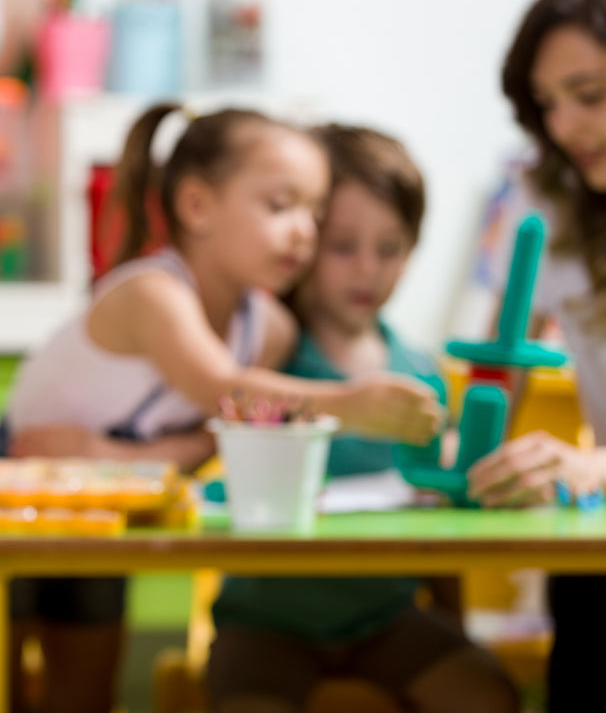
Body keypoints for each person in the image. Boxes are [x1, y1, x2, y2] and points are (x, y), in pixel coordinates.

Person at [0, 104, 443, 713]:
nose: (303, 232)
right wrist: (348, 404)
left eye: (314, 213)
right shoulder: (153, 293)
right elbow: (224, 394)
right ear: (198, 206)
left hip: (107, 501)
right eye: (281, 206)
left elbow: (221, 433)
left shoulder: (270, 329)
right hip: (7, 487)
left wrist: (113, 458)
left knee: (82, 696)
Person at [207, 124, 519, 713]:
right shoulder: (270, 357)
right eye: (343, 246)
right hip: (264, 625)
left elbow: (441, 522)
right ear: (303, 242)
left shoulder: (420, 371)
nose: (367, 270)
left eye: (391, 248)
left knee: (489, 695)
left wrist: (455, 624)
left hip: (387, 621)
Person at [468, 0, 606, 712]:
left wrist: (594, 468)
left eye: (588, 96)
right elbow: (502, 356)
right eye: (548, 104)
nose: (565, 126)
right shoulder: (550, 198)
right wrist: (469, 460)